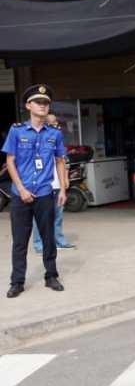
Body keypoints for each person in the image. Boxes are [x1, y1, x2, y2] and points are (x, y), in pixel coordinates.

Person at [4, 84, 67, 298]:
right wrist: (21, 189)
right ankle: (17, 282)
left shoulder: (54, 134)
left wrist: (63, 189)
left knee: (48, 237)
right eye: (38, 102)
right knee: (20, 240)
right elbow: (10, 161)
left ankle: (51, 276)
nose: (43, 105)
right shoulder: (17, 131)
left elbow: (60, 161)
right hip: (21, 194)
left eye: (46, 103)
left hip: (44, 193)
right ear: (28, 105)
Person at [31, 113, 73, 253]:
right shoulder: (37, 144)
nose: (55, 126)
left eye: (56, 124)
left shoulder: (57, 141)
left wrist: (65, 180)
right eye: (51, 124)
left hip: (57, 186)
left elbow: (64, 163)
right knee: (40, 218)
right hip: (42, 187)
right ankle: (39, 245)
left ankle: (59, 241)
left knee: (58, 216)